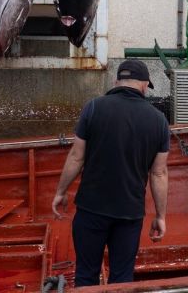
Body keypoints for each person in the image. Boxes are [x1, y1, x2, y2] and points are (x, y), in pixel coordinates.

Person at [51, 60, 169, 286]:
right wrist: (161, 216)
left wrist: (60, 191)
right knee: (122, 280)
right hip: (130, 214)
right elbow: (159, 173)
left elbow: (77, 156)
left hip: (91, 210)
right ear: (144, 86)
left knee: (86, 275)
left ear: (117, 82)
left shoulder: (93, 107)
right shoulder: (159, 121)